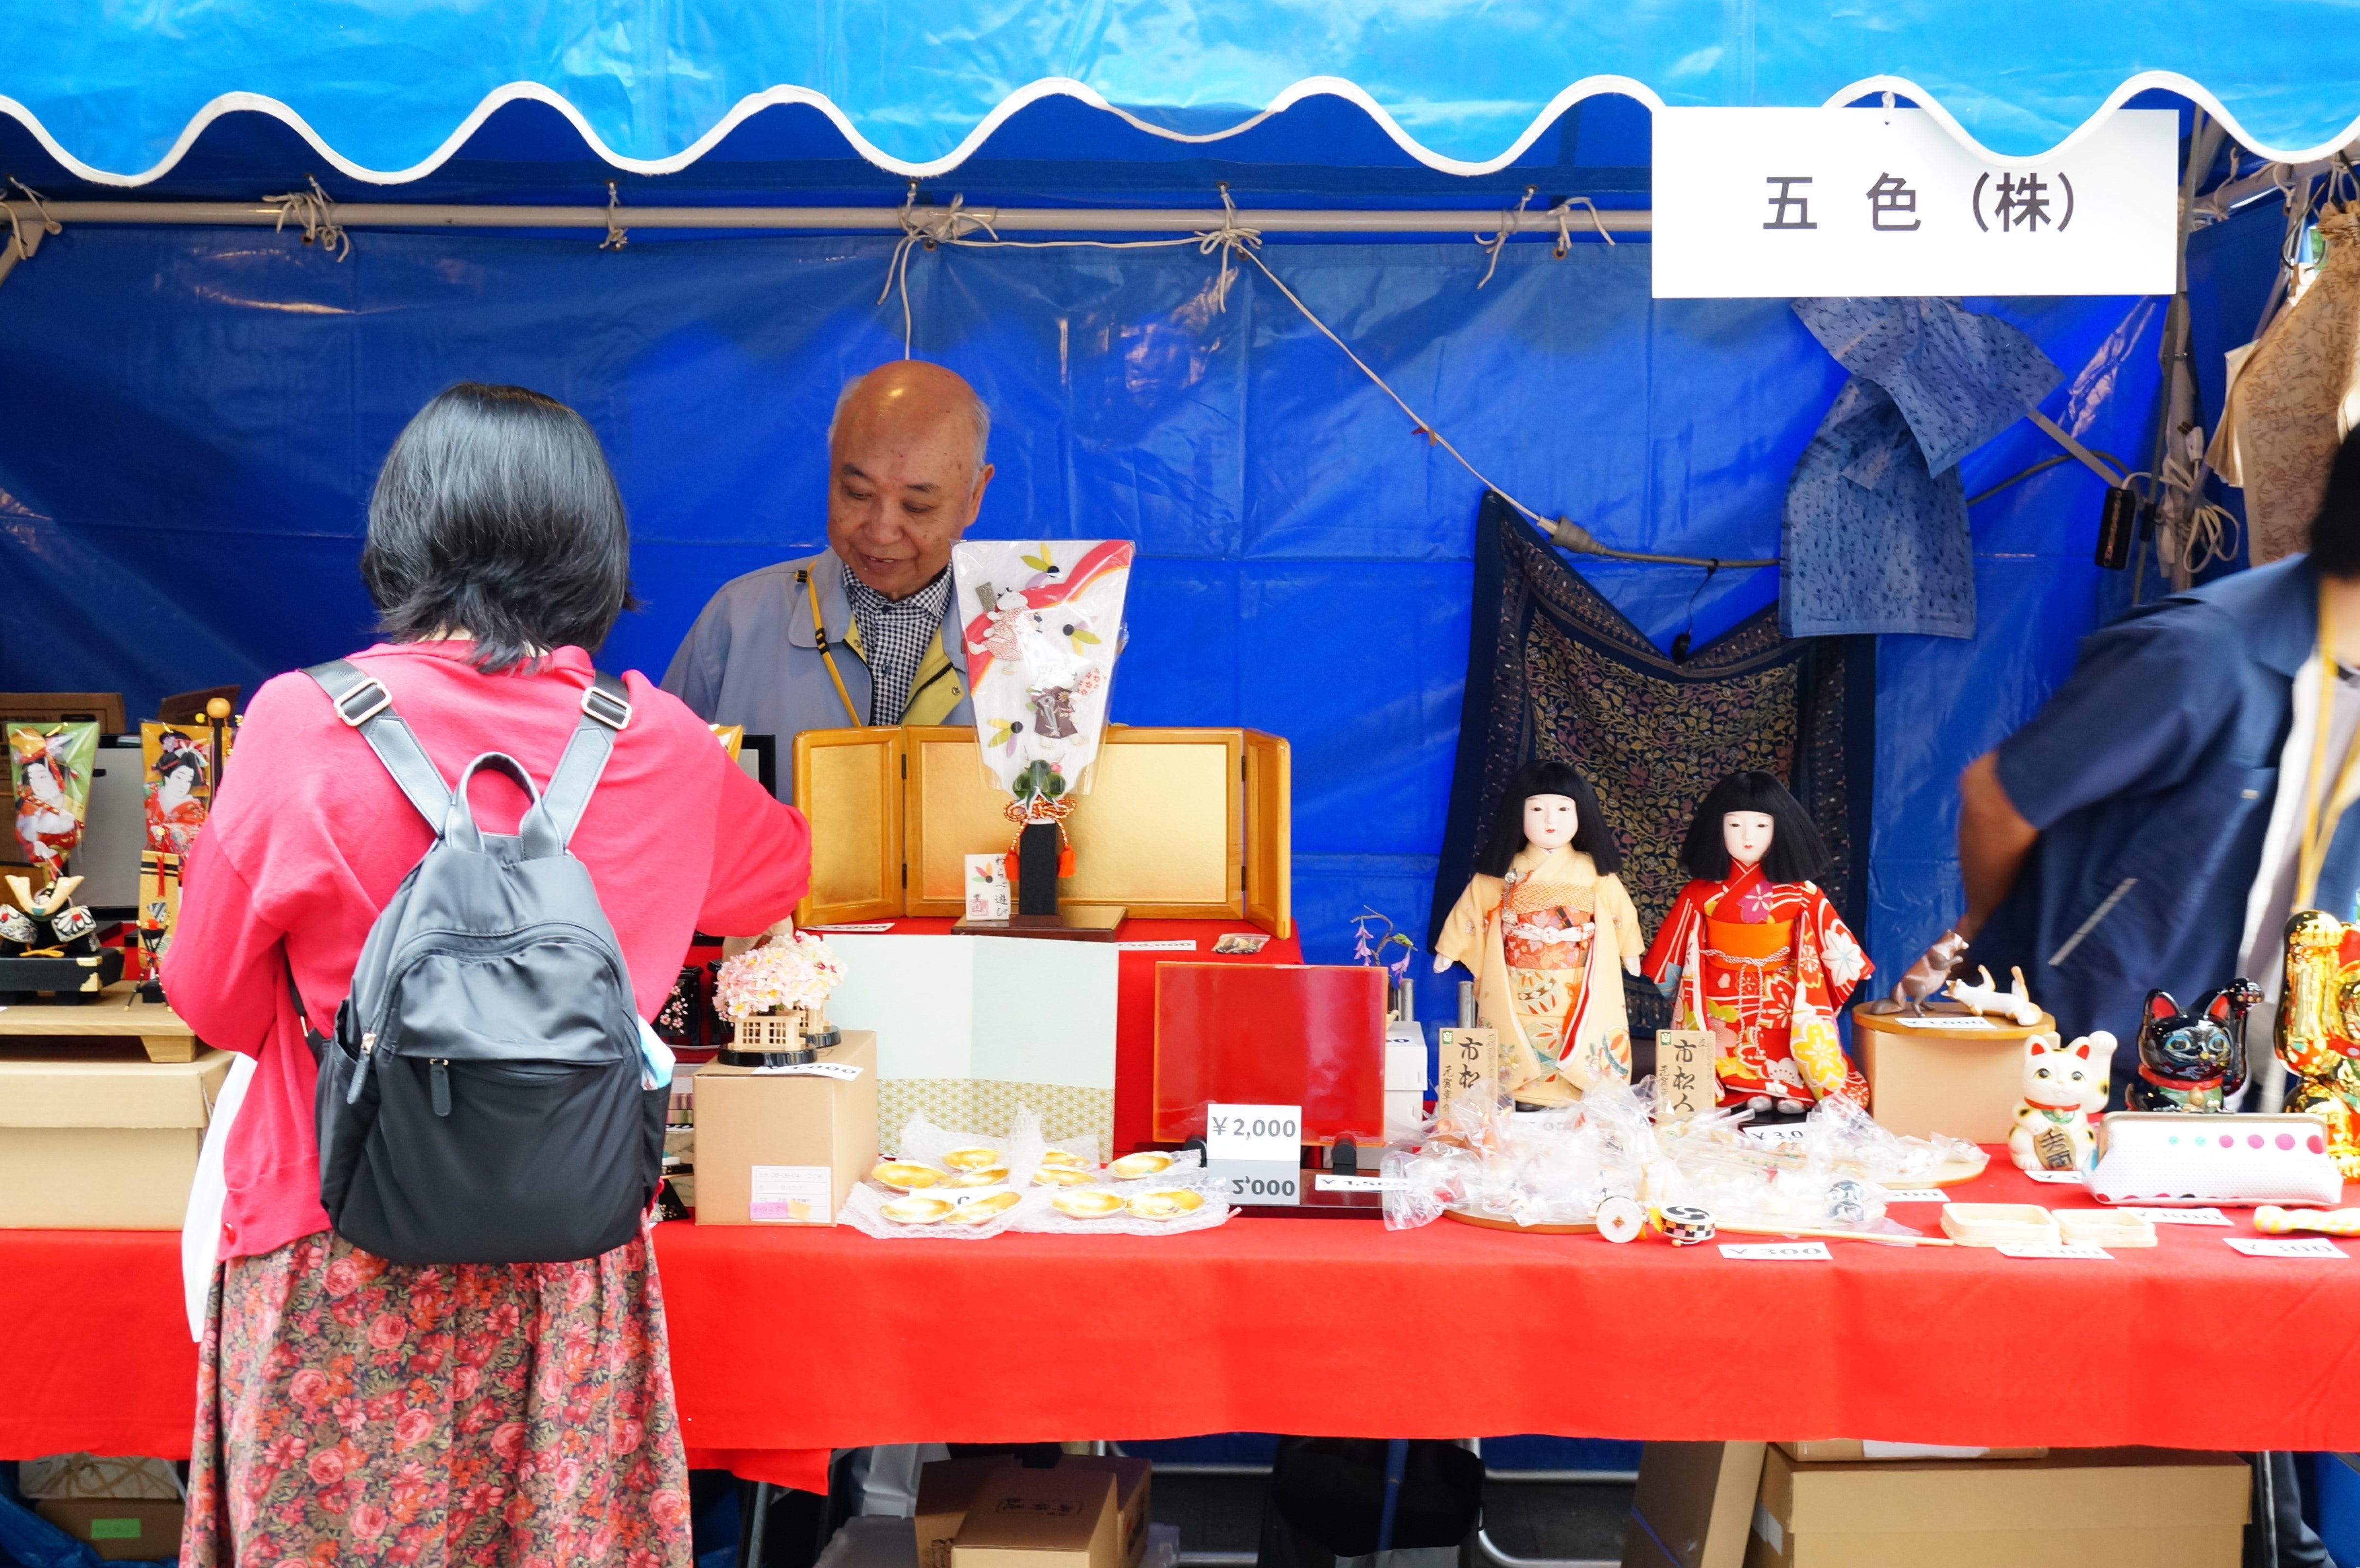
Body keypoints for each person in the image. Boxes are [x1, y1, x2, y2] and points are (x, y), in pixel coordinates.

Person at [162, 383, 811, 1568]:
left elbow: (203, 991)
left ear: (405, 532)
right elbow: (774, 877)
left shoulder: (298, 725)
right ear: (595, 551)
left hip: (332, 1253)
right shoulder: (660, 740)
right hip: (569, 1262)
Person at [1947, 428, 2360, 1568]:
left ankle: (2265, 1532)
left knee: (2248, 1357)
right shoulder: (2209, 655)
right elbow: (1999, 797)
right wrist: (2001, 946)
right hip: (2094, 1065)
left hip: (2280, 1078)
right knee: (2086, 1375)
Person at [663, 361, 995, 793]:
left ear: (974, 497)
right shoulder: (739, 619)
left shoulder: (1035, 640)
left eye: (917, 507)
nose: (880, 531)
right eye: (857, 494)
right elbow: (665, 795)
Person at [1643, 771, 1872, 1115]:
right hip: (1718, 984)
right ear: (1716, 830)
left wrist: (1838, 978)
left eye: (1761, 826)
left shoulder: (1801, 892)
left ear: (1781, 830)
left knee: (1780, 1036)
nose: (1747, 837)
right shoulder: (1700, 892)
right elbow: (1673, 945)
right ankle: (1738, 1090)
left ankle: (1789, 1089)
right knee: (1725, 1038)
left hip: (1781, 986)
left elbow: (1838, 950)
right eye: (1734, 826)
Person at [1431, 759, 1643, 1104]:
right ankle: (1522, 1094)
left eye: (1563, 809)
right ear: (1519, 813)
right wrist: (1450, 948)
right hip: (1518, 978)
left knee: (1573, 1028)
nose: (1550, 820)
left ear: (1581, 815)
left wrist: (1628, 949)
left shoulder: (1591, 869)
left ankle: (1574, 1094)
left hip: (1576, 978)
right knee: (1520, 1031)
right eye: (1537, 808)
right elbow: (1471, 907)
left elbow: (1619, 912)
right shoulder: (1504, 869)